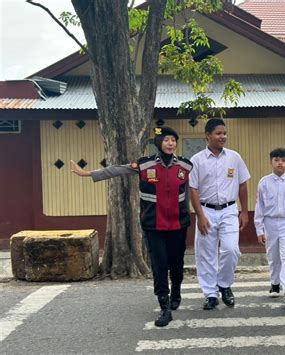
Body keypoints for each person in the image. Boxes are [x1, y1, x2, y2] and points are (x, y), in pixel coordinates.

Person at [70, 126, 192, 327]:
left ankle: (176, 291)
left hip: (179, 225)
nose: (170, 143)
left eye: (173, 140)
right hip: (154, 226)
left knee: (176, 264)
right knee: (159, 265)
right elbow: (117, 169)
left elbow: (192, 191)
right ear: (159, 142)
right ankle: (164, 306)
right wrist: (87, 173)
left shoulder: (185, 166)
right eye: (166, 139)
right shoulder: (145, 165)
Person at [189, 118, 250, 310]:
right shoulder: (197, 160)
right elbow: (193, 189)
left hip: (229, 210)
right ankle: (210, 294)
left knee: (231, 250)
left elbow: (242, 185)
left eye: (224, 133)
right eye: (218, 133)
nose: (223, 137)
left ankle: (224, 285)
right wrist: (200, 216)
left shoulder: (234, 157)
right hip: (206, 210)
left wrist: (245, 211)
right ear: (208, 136)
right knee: (206, 254)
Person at [254, 148, 285, 307]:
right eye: (276, 160)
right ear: (271, 162)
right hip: (270, 222)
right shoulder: (264, 182)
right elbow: (259, 207)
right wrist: (259, 229)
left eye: (283, 160)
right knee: (273, 256)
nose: (279, 163)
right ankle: (275, 283)